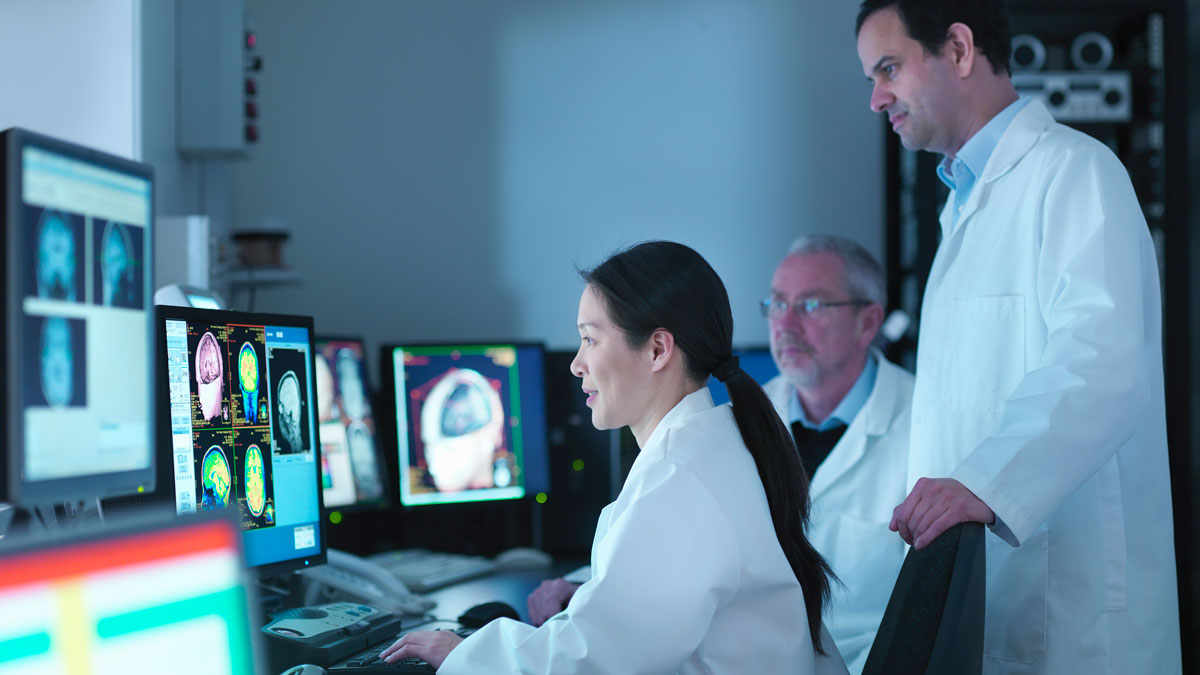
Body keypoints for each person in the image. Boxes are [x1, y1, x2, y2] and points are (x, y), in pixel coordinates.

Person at [855, 1, 1181, 672]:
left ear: (960, 49)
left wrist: (982, 482)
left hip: (1072, 616)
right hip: (989, 593)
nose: (875, 98)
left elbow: (1104, 365)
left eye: (887, 69)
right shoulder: (963, 204)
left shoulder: (1074, 173)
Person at [382, 241, 847, 674]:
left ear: (658, 349)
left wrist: (466, 654)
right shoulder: (718, 443)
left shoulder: (679, 478)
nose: (576, 363)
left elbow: (589, 661)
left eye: (591, 339)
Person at [761, 235, 913, 673]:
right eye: (776, 304)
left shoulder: (926, 423)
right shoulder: (738, 425)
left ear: (868, 323)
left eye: (810, 306)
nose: (784, 324)